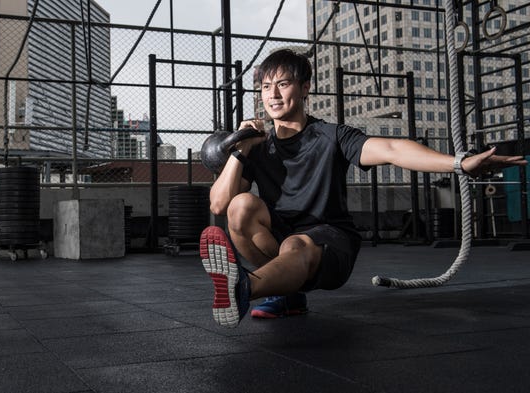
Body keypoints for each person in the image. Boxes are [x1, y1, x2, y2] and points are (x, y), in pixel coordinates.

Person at [199, 48, 527, 328]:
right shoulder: (258, 147)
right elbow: (219, 205)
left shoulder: (332, 136)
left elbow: (394, 150)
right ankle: (286, 296)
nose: (272, 95)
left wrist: (458, 163)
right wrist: (241, 148)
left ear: (304, 88)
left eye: (283, 84)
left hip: (330, 243)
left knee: (295, 245)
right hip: (282, 236)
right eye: (266, 87)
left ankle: (244, 288)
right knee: (240, 206)